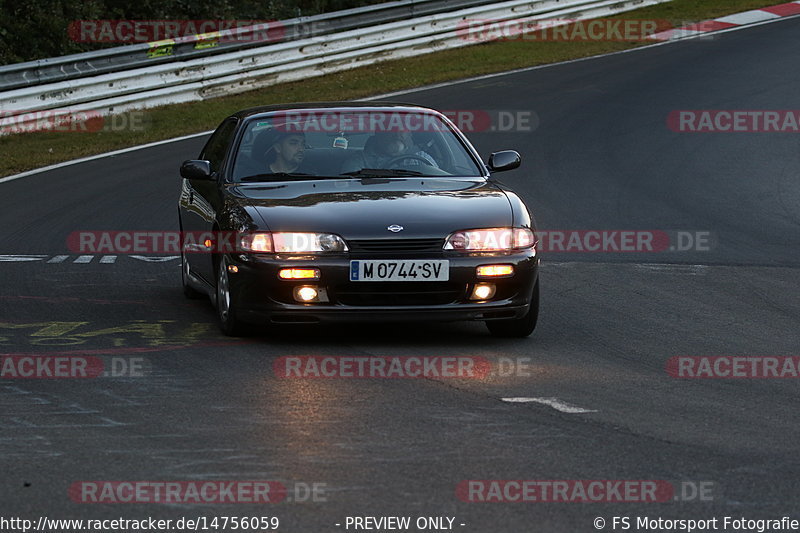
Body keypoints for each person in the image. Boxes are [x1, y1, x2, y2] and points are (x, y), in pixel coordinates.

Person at [341, 131, 437, 173]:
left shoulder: (421, 159)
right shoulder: (359, 161)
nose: (396, 134)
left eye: (401, 129)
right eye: (391, 130)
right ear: (378, 135)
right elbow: (349, 186)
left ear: (409, 134)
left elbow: (437, 181)